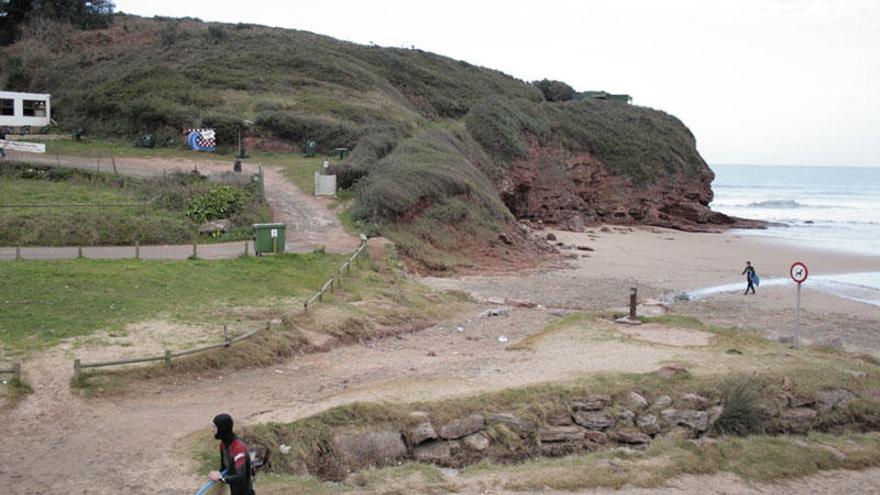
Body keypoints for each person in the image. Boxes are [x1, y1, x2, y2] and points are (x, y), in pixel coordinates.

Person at [209, 413, 255, 495]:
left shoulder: (238, 448)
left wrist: (220, 477)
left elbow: (241, 477)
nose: (212, 430)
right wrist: (218, 475)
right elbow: (224, 469)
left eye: (214, 427)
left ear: (222, 428)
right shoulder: (223, 445)